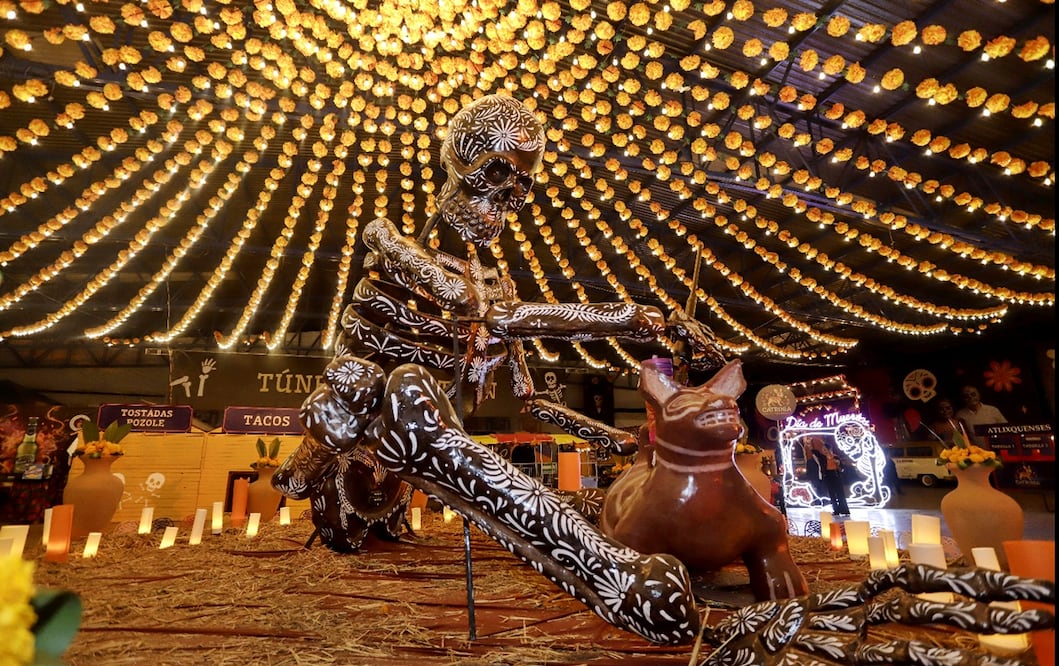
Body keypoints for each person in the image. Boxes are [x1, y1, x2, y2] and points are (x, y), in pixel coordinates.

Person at [808, 436, 851, 516]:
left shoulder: (835, 457)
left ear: (829, 449)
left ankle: (844, 510)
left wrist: (838, 464)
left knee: (840, 494)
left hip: (836, 475)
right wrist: (810, 444)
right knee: (832, 494)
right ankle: (836, 510)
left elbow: (842, 467)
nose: (823, 451)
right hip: (828, 476)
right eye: (823, 449)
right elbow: (814, 452)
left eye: (825, 449)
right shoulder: (823, 458)